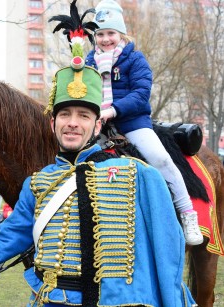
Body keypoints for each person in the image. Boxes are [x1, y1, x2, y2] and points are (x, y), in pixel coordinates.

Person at [0, 5, 197, 305]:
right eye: (65, 114)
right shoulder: (37, 185)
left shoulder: (141, 177)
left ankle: (191, 214)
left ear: (97, 124)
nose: (72, 123)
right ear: (52, 123)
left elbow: (168, 267)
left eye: (83, 115)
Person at [84, 0, 203, 246]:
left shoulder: (135, 59)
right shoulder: (89, 62)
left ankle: (187, 213)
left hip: (132, 123)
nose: (106, 39)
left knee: (161, 159)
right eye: (101, 34)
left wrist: (113, 110)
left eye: (111, 33)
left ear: (121, 34)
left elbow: (140, 94)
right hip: (98, 127)